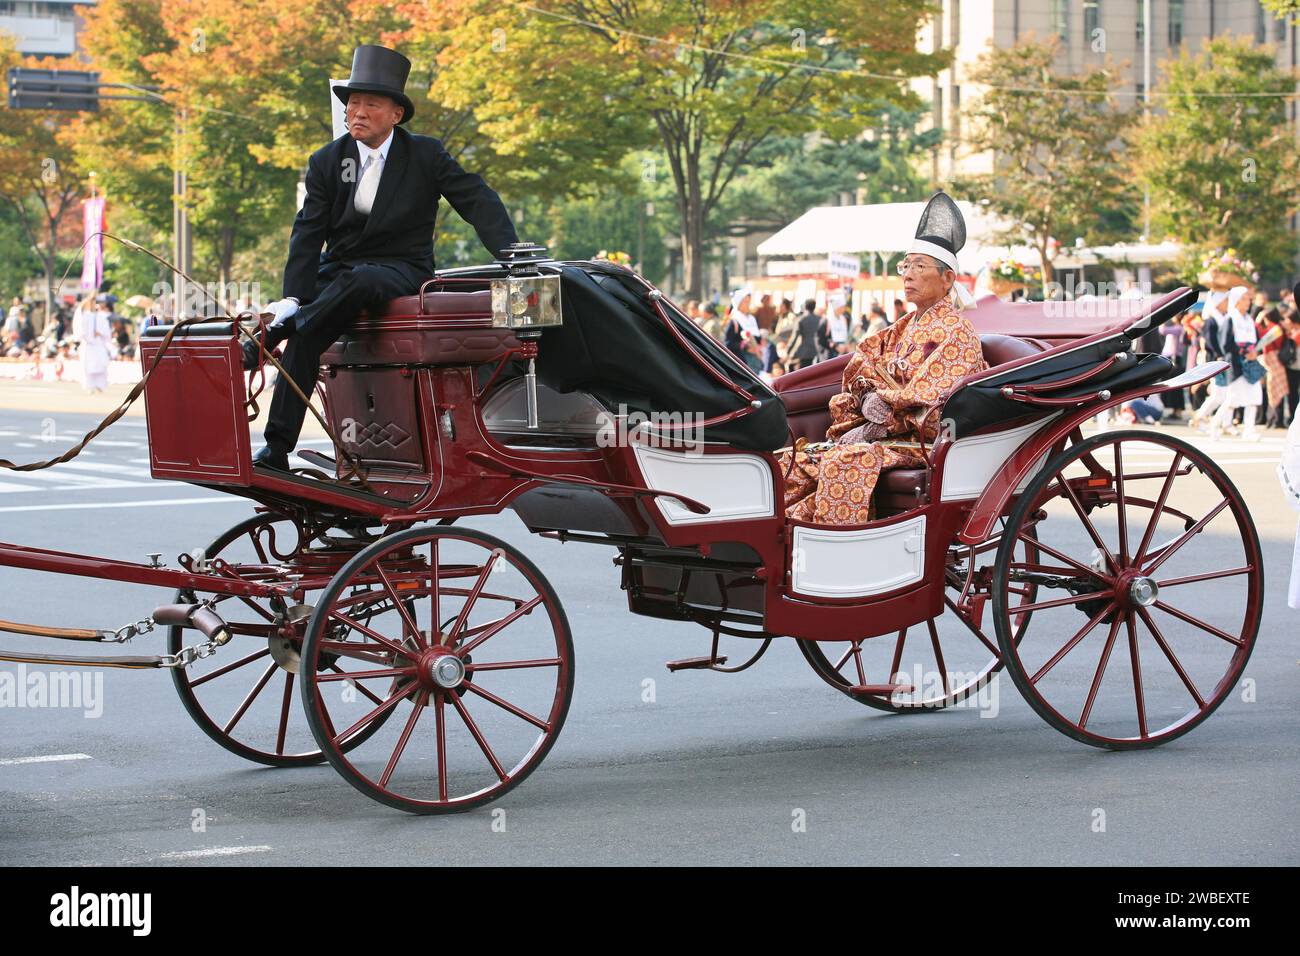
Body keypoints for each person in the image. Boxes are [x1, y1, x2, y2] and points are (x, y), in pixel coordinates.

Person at [244, 44, 519, 472]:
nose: (358, 111)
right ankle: (276, 449)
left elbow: (476, 200)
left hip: (400, 269)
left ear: (396, 114)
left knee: (358, 283)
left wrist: (512, 256)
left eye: (371, 104)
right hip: (338, 274)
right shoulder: (326, 162)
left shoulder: (425, 155)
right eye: (353, 102)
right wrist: (293, 298)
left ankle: (274, 336)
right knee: (308, 333)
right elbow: (307, 235)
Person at [780, 192, 985, 525]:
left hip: (920, 442)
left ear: (948, 279)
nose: (907, 274)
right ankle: (777, 541)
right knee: (794, 461)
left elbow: (937, 406)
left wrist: (884, 421)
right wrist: (865, 400)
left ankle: (831, 551)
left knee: (846, 460)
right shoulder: (902, 327)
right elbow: (862, 366)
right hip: (884, 435)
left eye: (920, 266)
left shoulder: (958, 333)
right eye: (906, 266)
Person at [1211, 286, 1262, 441]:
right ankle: (1214, 425)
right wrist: (1242, 351)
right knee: (1232, 399)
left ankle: (1249, 430)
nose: (1248, 301)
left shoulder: (1249, 320)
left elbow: (1256, 340)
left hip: (1251, 362)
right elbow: (1225, 344)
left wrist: (1255, 352)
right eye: (1245, 298)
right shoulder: (1230, 319)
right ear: (1237, 300)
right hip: (1236, 363)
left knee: (1255, 396)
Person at [71, 294, 113, 393]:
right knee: (88, 366)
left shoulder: (101, 316)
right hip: (88, 344)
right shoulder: (84, 316)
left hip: (99, 344)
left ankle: (100, 385)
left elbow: (107, 332)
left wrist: (100, 333)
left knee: (101, 366)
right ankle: (90, 386)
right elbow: (80, 329)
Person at [722, 288, 763, 372]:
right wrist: (744, 346)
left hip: (755, 359)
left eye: (749, 301)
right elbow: (728, 344)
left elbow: (758, 338)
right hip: (742, 363)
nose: (748, 304)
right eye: (745, 302)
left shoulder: (752, 319)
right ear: (738, 303)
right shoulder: (734, 321)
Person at [784, 298, 825, 372]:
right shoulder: (820, 319)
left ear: (805, 306)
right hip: (817, 350)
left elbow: (795, 337)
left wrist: (788, 350)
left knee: (801, 372)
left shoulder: (801, 319)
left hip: (804, 351)